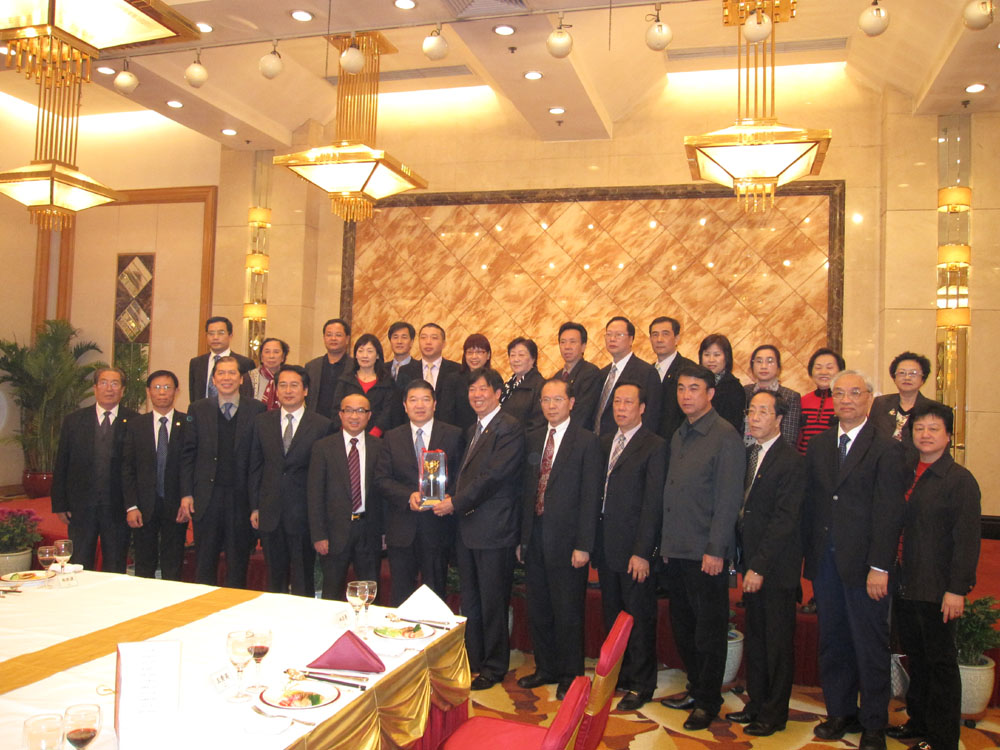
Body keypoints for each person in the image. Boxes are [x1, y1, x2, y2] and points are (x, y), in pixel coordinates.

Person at [802, 370, 907, 750]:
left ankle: (874, 723)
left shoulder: (886, 447)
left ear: (869, 399)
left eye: (854, 393)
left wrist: (880, 567)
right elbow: (813, 503)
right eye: (840, 394)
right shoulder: (819, 444)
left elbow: (890, 512)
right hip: (826, 563)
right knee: (833, 641)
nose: (846, 400)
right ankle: (840, 712)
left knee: (870, 644)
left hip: (866, 567)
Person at [888, 402, 980, 750]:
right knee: (917, 658)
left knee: (940, 663)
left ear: (949, 435)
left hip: (938, 588)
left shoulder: (959, 480)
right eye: (919, 428)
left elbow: (967, 541)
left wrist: (957, 589)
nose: (925, 435)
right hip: (906, 581)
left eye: (934, 429)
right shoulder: (907, 471)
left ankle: (942, 739)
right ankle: (919, 722)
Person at [659, 364, 744, 730]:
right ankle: (695, 688)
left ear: (710, 393)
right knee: (684, 626)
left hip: (705, 552)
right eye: (681, 388)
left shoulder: (724, 435)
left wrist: (716, 549)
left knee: (708, 631)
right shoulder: (680, 433)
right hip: (677, 548)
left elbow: (728, 499)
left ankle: (709, 701)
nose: (686, 395)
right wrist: (666, 542)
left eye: (694, 388)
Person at [433, 367, 525, 690]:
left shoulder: (509, 428)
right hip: (468, 529)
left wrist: (455, 503)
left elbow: (493, 477)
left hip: (494, 529)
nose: (477, 395)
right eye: (472, 390)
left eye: (483, 389)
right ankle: (473, 657)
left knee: (493, 600)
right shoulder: (473, 428)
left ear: (498, 393)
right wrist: (446, 496)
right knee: (471, 599)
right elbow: (464, 477)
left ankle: (495, 665)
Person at [726, 391, 805, 737]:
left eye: (763, 411)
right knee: (756, 639)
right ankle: (756, 703)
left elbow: (784, 521)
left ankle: (774, 713)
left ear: (779, 419)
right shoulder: (749, 454)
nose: (754, 417)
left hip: (775, 570)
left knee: (776, 644)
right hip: (751, 564)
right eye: (751, 411)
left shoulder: (791, 461)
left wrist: (758, 567)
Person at [517, 378, 601, 700]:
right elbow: (526, 492)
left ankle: (571, 675)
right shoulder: (533, 437)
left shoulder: (586, 441)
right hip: (535, 536)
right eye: (546, 400)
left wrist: (584, 545)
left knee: (568, 611)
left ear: (572, 402)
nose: (551, 406)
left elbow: (590, 497)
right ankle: (546, 667)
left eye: (558, 399)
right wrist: (522, 538)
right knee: (538, 608)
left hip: (568, 542)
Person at [594, 382, 666, 711]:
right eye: (617, 402)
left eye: (628, 403)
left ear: (642, 408)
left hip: (634, 549)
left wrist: (643, 552)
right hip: (607, 545)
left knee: (638, 617)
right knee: (613, 616)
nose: (621, 408)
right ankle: (619, 675)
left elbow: (653, 504)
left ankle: (641, 684)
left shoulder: (654, 445)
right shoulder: (605, 441)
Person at [375, 379, 463, 605]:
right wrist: (408, 496)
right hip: (402, 530)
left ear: (435, 404)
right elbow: (382, 479)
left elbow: (462, 475)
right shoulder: (392, 437)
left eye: (425, 399)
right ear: (405, 406)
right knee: (401, 596)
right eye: (413, 400)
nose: (420, 405)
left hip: (438, 528)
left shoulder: (453, 434)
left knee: (435, 595)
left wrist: (450, 496)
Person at [180, 356, 266, 588]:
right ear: (214, 379)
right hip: (207, 498)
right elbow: (188, 454)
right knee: (204, 563)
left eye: (232, 373)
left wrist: (257, 504)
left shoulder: (257, 409)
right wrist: (186, 493)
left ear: (241, 379)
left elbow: (259, 460)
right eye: (221, 373)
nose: (226, 378)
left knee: (238, 564)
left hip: (241, 499)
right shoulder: (198, 409)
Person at [248, 365, 332, 597]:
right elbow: (255, 467)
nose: (288, 390)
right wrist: (255, 506)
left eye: (294, 385)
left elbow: (325, 476)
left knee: (303, 577)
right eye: (282, 385)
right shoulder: (262, 422)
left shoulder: (322, 425)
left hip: (303, 513)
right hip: (270, 511)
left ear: (305, 390)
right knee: (274, 578)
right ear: (275, 390)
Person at [51, 367, 138, 573]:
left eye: (115, 383)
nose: (109, 388)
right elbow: (62, 462)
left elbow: (138, 468)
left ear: (123, 390)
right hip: (81, 506)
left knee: (115, 565)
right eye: (104, 383)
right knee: (79, 564)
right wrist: (60, 503)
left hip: (117, 507)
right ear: (95, 388)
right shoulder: (74, 420)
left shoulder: (135, 421)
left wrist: (133, 505)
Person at [307, 393, 384, 601]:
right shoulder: (323, 447)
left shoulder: (380, 447)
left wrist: (384, 531)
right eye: (349, 410)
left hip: (369, 531)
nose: (354, 416)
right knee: (331, 593)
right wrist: (319, 535)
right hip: (334, 533)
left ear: (369, 416)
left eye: (360, 411)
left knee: (370, 594)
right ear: (340, 415)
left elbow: (383, 493)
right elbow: (315, 494)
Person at [121, 370, 189, 581]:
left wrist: (187, 498)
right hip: (143, 505)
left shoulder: (188, 423)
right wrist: (131, 506)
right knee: (144, 563)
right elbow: (127, 468)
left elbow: (191, 466)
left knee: (173, 563)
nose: (162, 393)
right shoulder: (136, 425)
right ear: (149, 391)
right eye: (157, 388)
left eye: (167, 387)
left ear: (176, 391)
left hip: (176, 505)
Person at [593, 316, 661, 436]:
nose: (612, 339)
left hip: (627, 441)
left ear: (631, 339)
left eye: (618, 335)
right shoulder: (602, 373)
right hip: (598, 441)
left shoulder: (646, 372)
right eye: (609, 335)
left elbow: (652, 416)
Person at [869, 351, 935, 452]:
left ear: (923, 379)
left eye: (913, 373)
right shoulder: (880, 403)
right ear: (894, 378)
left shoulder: (933, 409)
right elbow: (870, 436)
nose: (907, 377)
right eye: (902, 373)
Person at [399, 323, 462, 425]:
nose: (428, 342)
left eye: (434, 338)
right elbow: (400, 408)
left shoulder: (457, 370)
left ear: (444, 343)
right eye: (423, 338)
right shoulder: (405, 371)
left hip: (448, 429)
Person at [339, 334, 401, 437]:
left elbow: (388, 412)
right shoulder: (345, 380)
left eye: (369, 351)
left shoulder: (387, 382)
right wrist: (347, 433)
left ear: (377, 355)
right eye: (361, 351)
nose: (365, 355)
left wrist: (374, 434)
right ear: (356, 355)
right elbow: (337, 409)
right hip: (348, 435)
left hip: (379, 437)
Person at [742, 344, 801, 448]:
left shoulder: (790, 396)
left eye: (770, 361)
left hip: (775, 453)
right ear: (752, 366)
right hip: (744, 452)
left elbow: (789, 438)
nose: (763, 366)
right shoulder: (745, 392)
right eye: (759, 361)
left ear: (778, 367)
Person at [649, 315, 695, 443]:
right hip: (650, 443)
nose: (659, 339)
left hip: (678, 442)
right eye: (655, 335)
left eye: (665, 334)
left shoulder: (689, 370)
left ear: (676, 339)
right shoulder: (647, 371)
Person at [187, 316, 254, 403]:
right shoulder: (196, 363)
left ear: (230, 335)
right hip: (202, 410)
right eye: (211, 333)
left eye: (221, 333)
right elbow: (193, 396)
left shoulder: (245, 363)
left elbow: (248, 395)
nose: (215, 337)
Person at [304, 318, 354, 424]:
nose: (333, 338)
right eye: (329, 335)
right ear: (324, 338)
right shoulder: (312, 366)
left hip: (345, 424)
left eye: (338, 335)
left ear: (347, 339)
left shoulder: (355, 366)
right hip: (315, 423)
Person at [553, 322, 600, 430]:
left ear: (583, 346)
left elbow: (583, 413)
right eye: (563, 342)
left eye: (572, 342)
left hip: (577, 434)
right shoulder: (556, 377)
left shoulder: (590, 373)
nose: (567, 347)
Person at [798, 347, 845, 454]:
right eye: (818, 368)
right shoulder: (802, 401)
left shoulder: (846, 401)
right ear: (811, 372)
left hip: (835, 460)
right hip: (803, 460)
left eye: (829, 367)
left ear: (840, 371)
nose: (823, 372)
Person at [698, 333, 745, 434]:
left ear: (726, 357)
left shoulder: (734, 388)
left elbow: (733, 426)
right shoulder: (696, 383)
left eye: (717, 355)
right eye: (707, 354)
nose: (711, 360)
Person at [499, 337, 545, 433]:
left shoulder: (540, 386)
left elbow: (538, 422)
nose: (516, 359)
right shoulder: (508, 386)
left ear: (533, 359)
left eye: (521, 355)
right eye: (512, 355)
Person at [453, 333, 493, 431]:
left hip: (489, 433)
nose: (474, 356)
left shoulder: (494, 379)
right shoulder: (453, 380)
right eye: (470, 352)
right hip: (459, 435)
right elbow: (446, 414)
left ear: (488, 355)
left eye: (479, 352)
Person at [248, 337, 289, 410]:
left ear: (283, 357)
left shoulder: (290, 377)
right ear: (261, 357)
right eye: (267, 352)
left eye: (276, 352)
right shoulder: (249, 378)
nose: (271, 356)